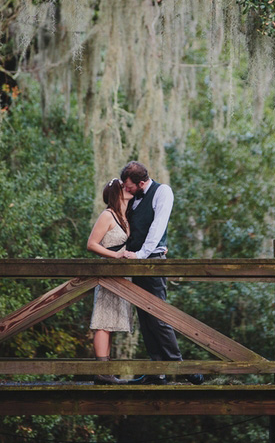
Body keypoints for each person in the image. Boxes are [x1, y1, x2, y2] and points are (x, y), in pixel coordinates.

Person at [121, 160, 204, 386]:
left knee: (158, 315)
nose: (125, 189)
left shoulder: (162, 192)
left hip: (151, 262)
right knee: (145, 318)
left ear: (141, 182)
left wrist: (143, 254)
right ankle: (157, 371)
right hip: (135, 262)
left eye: (128, 186)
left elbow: (158, 226)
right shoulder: (132, 198)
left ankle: (180, 366)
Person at [86, 178, 133, 384]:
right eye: (124, 187)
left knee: (111, 322)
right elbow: (92, 244)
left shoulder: (125, 216)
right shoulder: (107, 215)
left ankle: (107, 372)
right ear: (117, 192)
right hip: (108, 274)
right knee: (103, 322)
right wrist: (115, 257)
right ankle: (101, 372)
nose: (129, 188)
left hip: (122, 278)